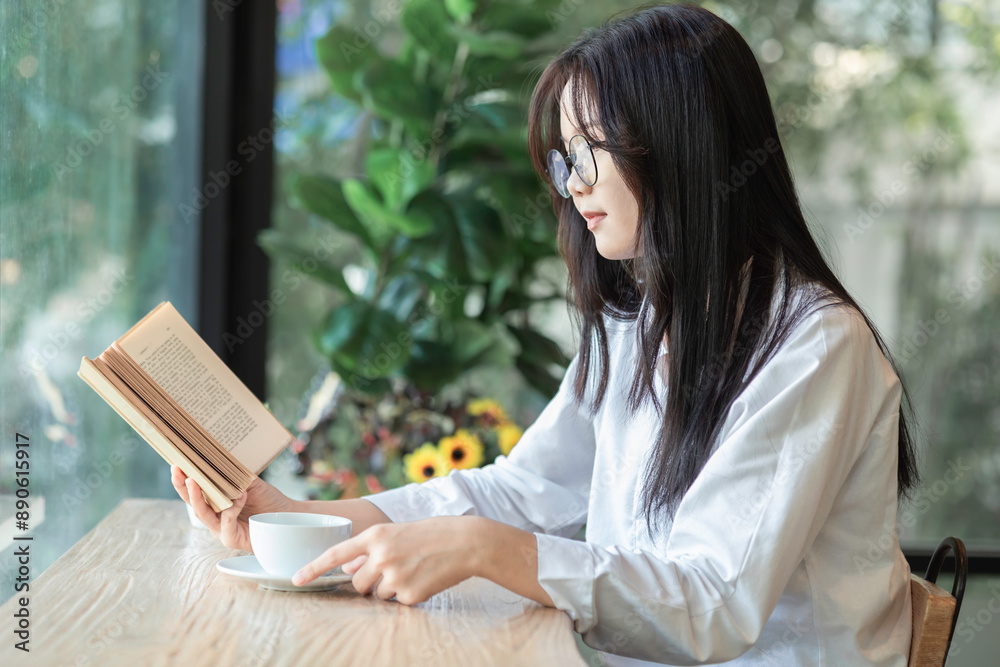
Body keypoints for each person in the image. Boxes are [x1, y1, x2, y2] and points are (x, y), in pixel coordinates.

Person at [173, 4, 921, 665]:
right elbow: (523, 490)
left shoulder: (815, 346)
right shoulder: (642, 322)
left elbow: (712, 603)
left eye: (590, 149)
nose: (573, 185)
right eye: (566, 159)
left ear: (681, 145)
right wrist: (298, 522)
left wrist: (487, 550)